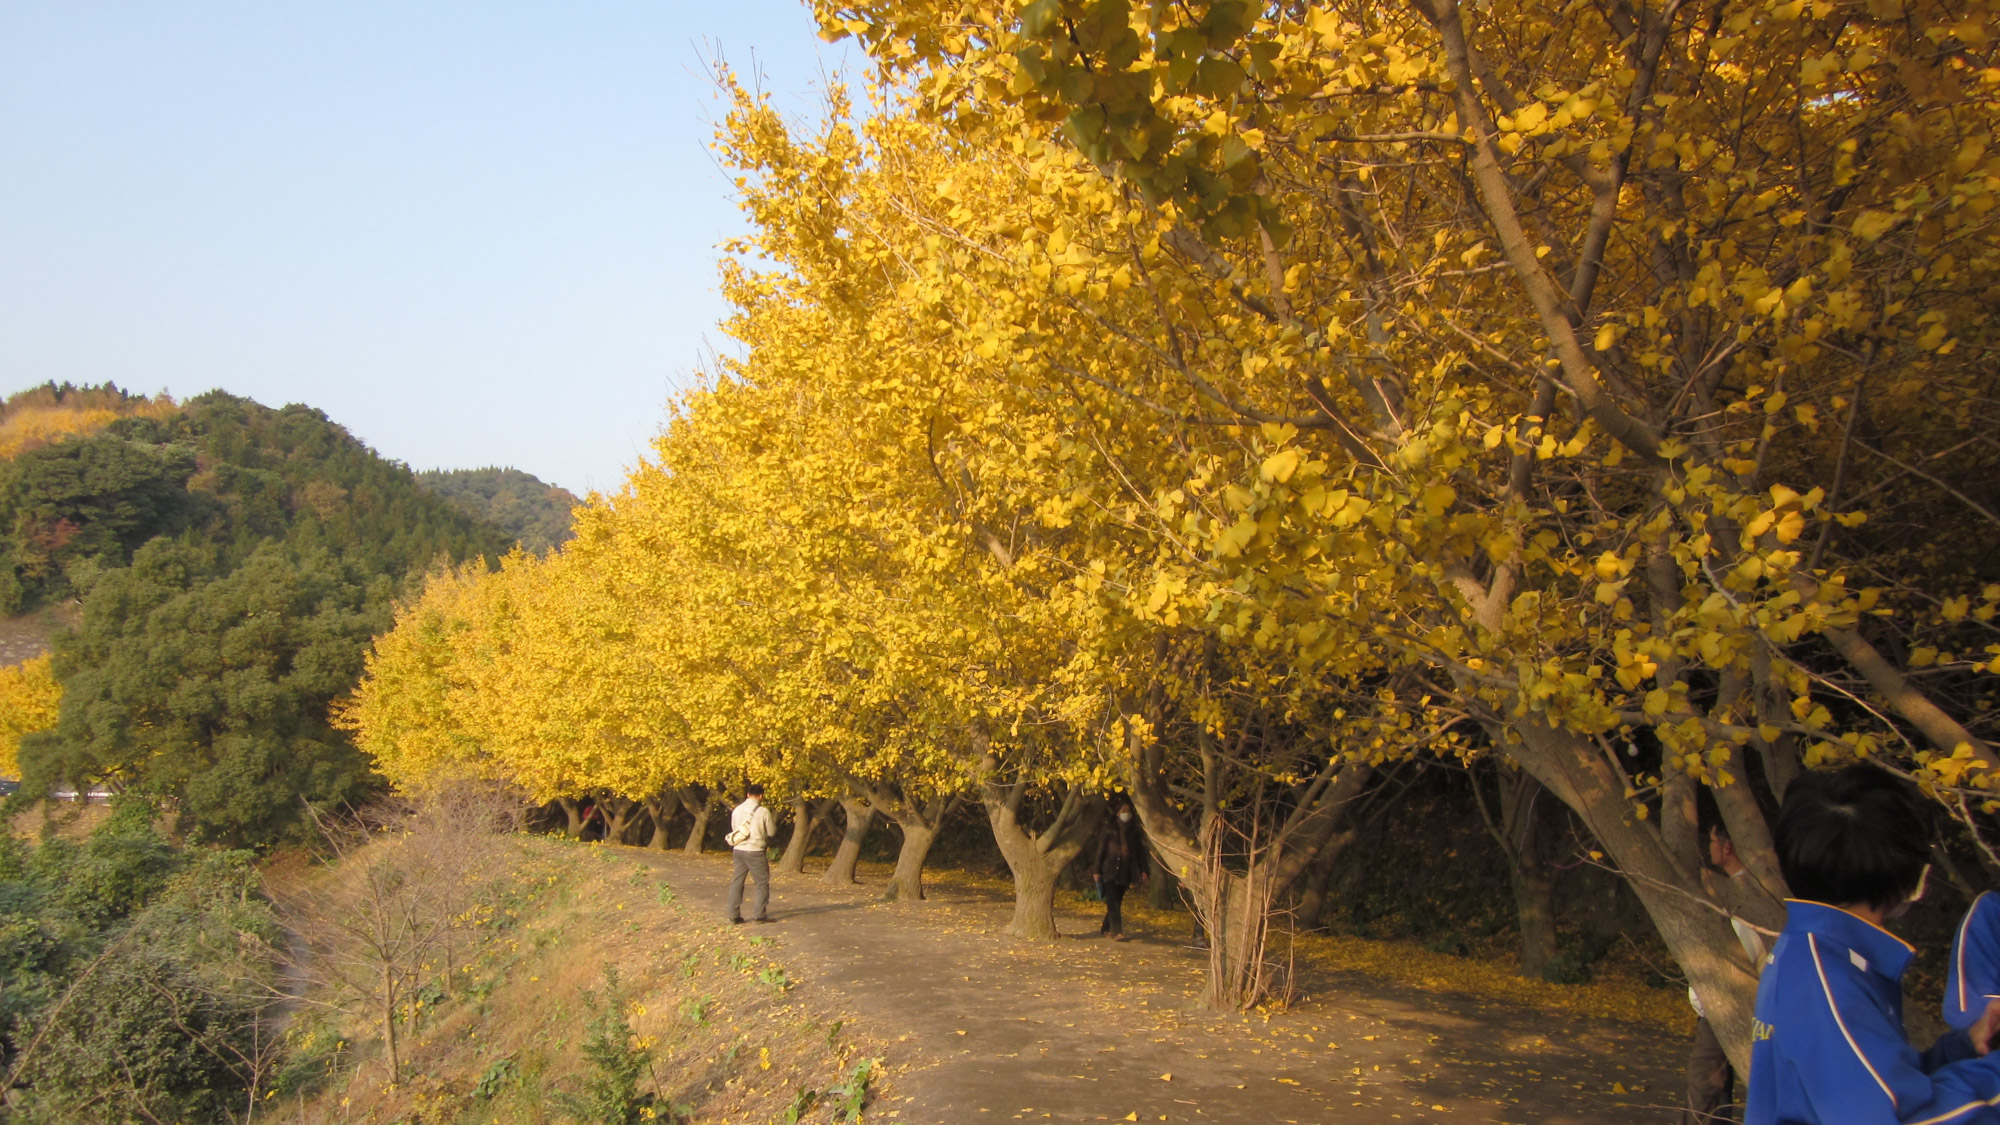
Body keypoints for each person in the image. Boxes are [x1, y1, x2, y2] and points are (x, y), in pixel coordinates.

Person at [1746, 765, 2000, 1125]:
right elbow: (1902, 1117)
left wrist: (1959, 1049)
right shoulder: (1826, 980)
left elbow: (1878, 1086)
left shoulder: (1820, 955)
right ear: (1903, 866)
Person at [1682, 821, 1778, 1124]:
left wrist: (1703, 998)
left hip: (1730, 1003)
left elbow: (1738, 956)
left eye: (1712, 842)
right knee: (1718, 1086)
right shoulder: (1748, 889)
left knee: (1704, 1082)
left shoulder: (1745, 896)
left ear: (1727, 847)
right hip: (1739, 1001)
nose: (1708, 848)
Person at [1094, 797, 1147, 941]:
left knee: (1116, 902)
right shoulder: (1110, 829)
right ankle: (1117, 932)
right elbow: (1101, 851)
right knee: (1113, 901)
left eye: (1128, 811)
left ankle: (1105, 928)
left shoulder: (1134, 831)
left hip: (1126, 872)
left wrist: (1143, 870)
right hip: (1110, 871)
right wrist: (1097, 871)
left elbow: (1140, 851)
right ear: (1117, 813)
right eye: (1123, 811)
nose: (1126, 813)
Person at [724, 783, 778, 925]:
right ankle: (759, 915)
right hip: (755, 851)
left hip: (738, 850)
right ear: (761, 796)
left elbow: (735, 829)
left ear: (747, 795)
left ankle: (733, 915)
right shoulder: (763, 811)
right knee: (761, 883)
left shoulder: (737, 810)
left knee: (737, 881)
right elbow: (771, 832)